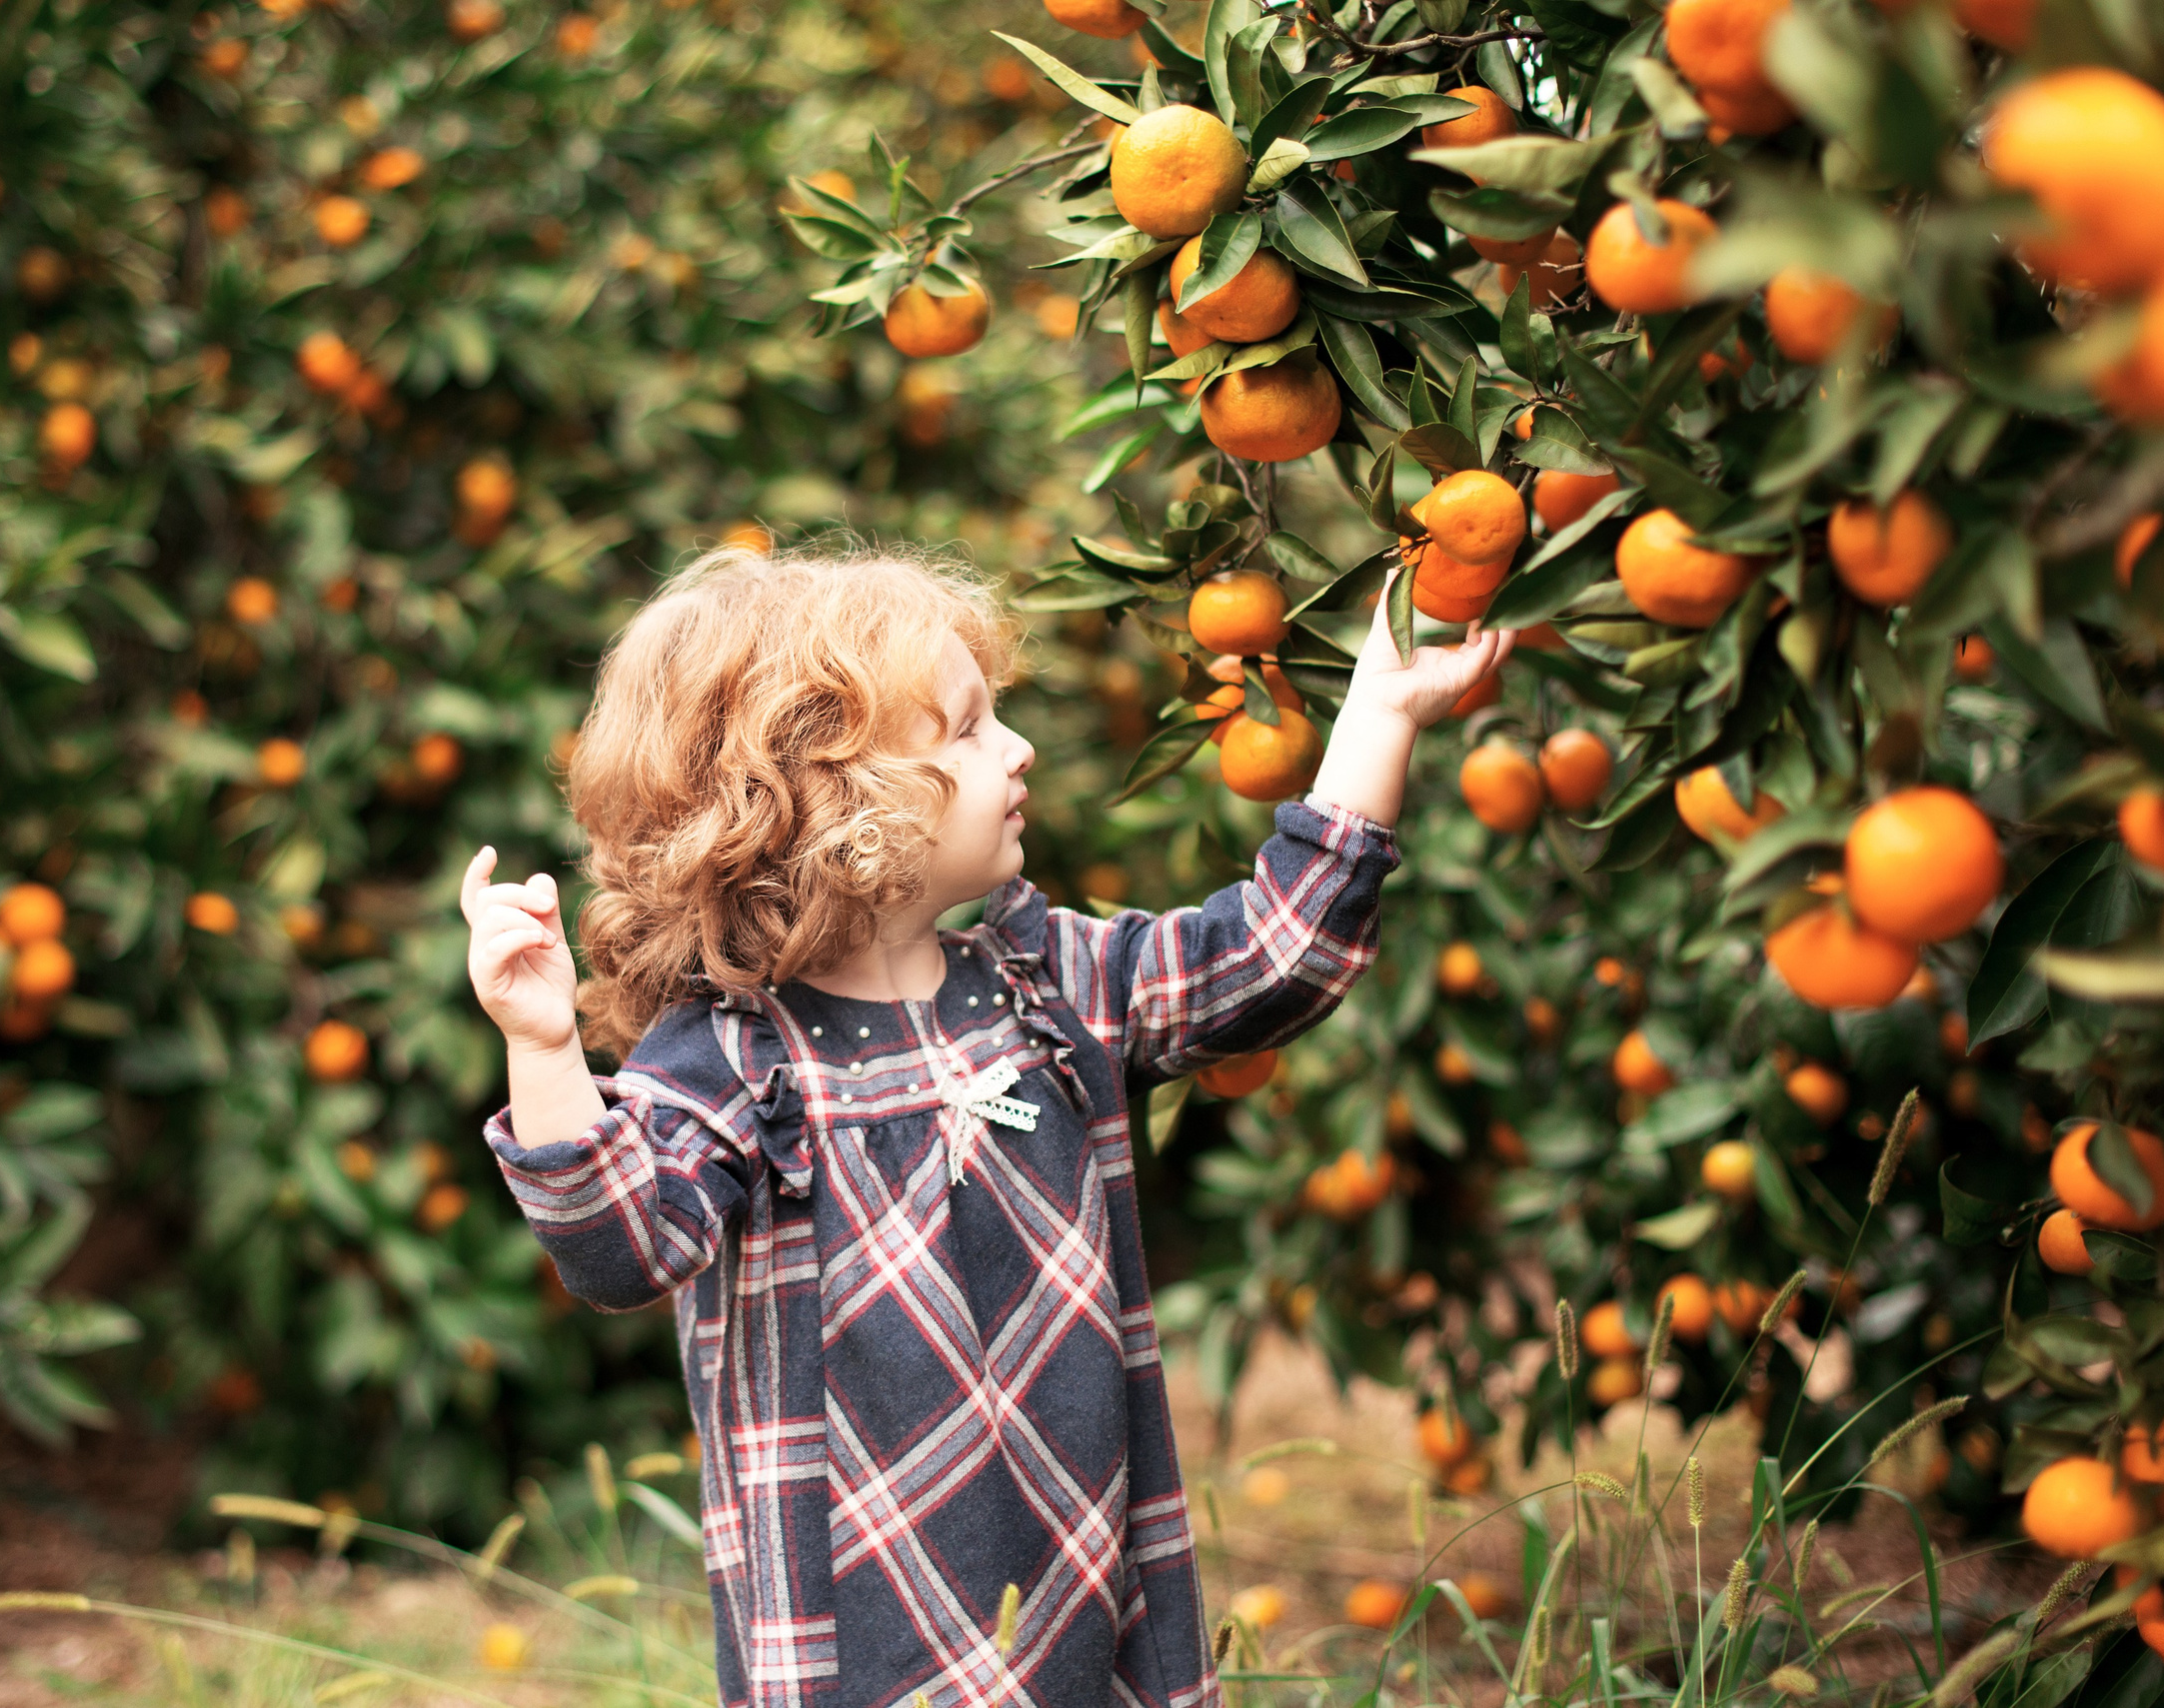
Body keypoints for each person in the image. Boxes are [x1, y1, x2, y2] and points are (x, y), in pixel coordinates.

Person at [460, 538, 1509, 1708]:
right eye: (964, 728)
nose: (1014, 751)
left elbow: (1269, 958)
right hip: (860, 1613)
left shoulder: (1049, 983)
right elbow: (620, 1246)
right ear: (828, 799)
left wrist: (1381, 708)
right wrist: (545, 1047)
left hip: (1082, 1566)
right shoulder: (736, 1059)